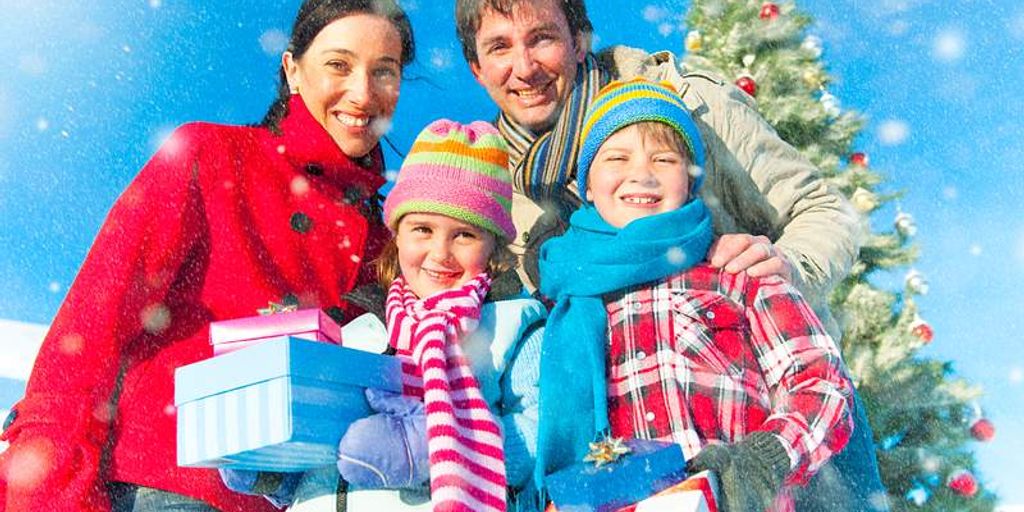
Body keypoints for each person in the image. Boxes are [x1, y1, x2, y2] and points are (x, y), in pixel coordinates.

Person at [455, 1, 887, 510]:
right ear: (477, 68)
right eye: (500, 46)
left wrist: (787, 267)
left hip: (773, 411)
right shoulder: (497, 188)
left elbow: (821, 209)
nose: (525, 67)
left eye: (542, 38)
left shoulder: (689, 103)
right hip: (633, 457)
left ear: (579, 40)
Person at [0, 1, 414, 510]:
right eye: (338, 64)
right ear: (293, 70)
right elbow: (92, 329)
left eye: (384, 72)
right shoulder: (212, 157)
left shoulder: (388, 237)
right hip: (170, 487)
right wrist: (49, 485)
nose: (362, 92)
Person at [535, 78, 854, 512]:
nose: (641, 174)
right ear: (587, 185)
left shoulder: (738, 271)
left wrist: (765, 458)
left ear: (689, 181)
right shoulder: (559, 302)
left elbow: (820, 381)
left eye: (664, 159)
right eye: (616, 157)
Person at [224, 119, 546, 512]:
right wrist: (267, 466)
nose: (440, 252)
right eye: (423, 229)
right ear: (397, 235)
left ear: (493, 246)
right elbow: (330, 452)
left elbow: (541, 438)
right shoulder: (356, 330)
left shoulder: (510, 326)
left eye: (464, 235)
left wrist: (427, 448)